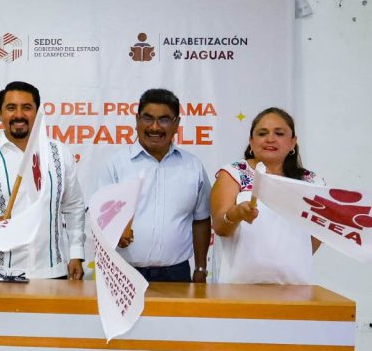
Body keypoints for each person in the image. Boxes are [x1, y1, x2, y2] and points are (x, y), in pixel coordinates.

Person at [0, 81, 86, 280]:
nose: (19, 115)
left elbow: (74, 206)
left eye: (27, 107)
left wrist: (76, 253)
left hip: (52, 272)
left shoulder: (59, 154)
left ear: (37, 112)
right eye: (11, 108)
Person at [97, 88, 211, 283]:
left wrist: (200, 268)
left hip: (176, 274)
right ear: (137, 120)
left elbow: (201, 219)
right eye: (148, 118)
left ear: (177, 123)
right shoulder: (116, 165)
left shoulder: (193, 166)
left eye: (164, 120)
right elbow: (100, 218)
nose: (155, 127)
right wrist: (115, 233)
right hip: (124, 272)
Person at [210, 107, 322, 284]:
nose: (270, 139)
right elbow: (220, 227)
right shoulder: (234, 174)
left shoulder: (312, 182)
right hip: (238, 286)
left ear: (293, 142)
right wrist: (237, 214)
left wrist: (289, 260)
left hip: (295, 286)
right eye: (262, 133)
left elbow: (318, 235)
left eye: (279, 133)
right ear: (251, 141)